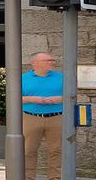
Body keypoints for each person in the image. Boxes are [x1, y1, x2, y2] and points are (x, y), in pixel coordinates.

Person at [21, 51, 65, 179]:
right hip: (30, 118)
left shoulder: (62, 77)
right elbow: (13, 98)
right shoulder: (22, 79)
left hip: (57, 118)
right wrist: (30, 99)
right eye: (48, 61)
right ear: (35, 63)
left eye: (52, 60)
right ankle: (28, 178)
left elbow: (73, 96)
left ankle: (54, 178)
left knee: (56, 151)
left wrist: (61, 98)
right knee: (28, 151)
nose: (52, 63)